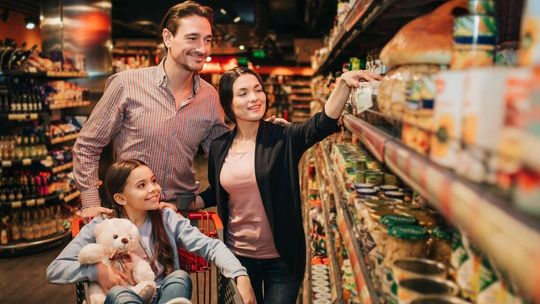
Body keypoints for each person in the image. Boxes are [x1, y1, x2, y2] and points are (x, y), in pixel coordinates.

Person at [74, 1, 286, 221]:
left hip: (180, 212)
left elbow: (223, 151)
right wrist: (90, 202)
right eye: (192, 38)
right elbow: (87, 145)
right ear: (168, 38)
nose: (202, 49)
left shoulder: (209, 96)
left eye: (208, 40)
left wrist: (260, 132)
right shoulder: (126, 85)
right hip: (130, 215)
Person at [195, 67, 381, 303]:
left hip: (281, 260)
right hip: (238, 258)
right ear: (228, 103)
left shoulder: (283, 137)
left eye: (258, 90)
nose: (254, 98)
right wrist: (192, 201)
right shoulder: (220, 147)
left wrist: (343, 84)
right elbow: (218, 192)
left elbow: (320, 125)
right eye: (242, 93)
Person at [47, 159, 256, 304]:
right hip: (123, 297)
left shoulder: (166, 218)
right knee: (121, 294)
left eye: (154, 181)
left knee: (179, 277)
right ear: (120, 198)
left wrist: (239, 274)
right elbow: (56, 269)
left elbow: (210, 246)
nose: (154, 189)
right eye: (142, 185)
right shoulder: (102, 225)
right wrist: (97, 271)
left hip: (163, 296)